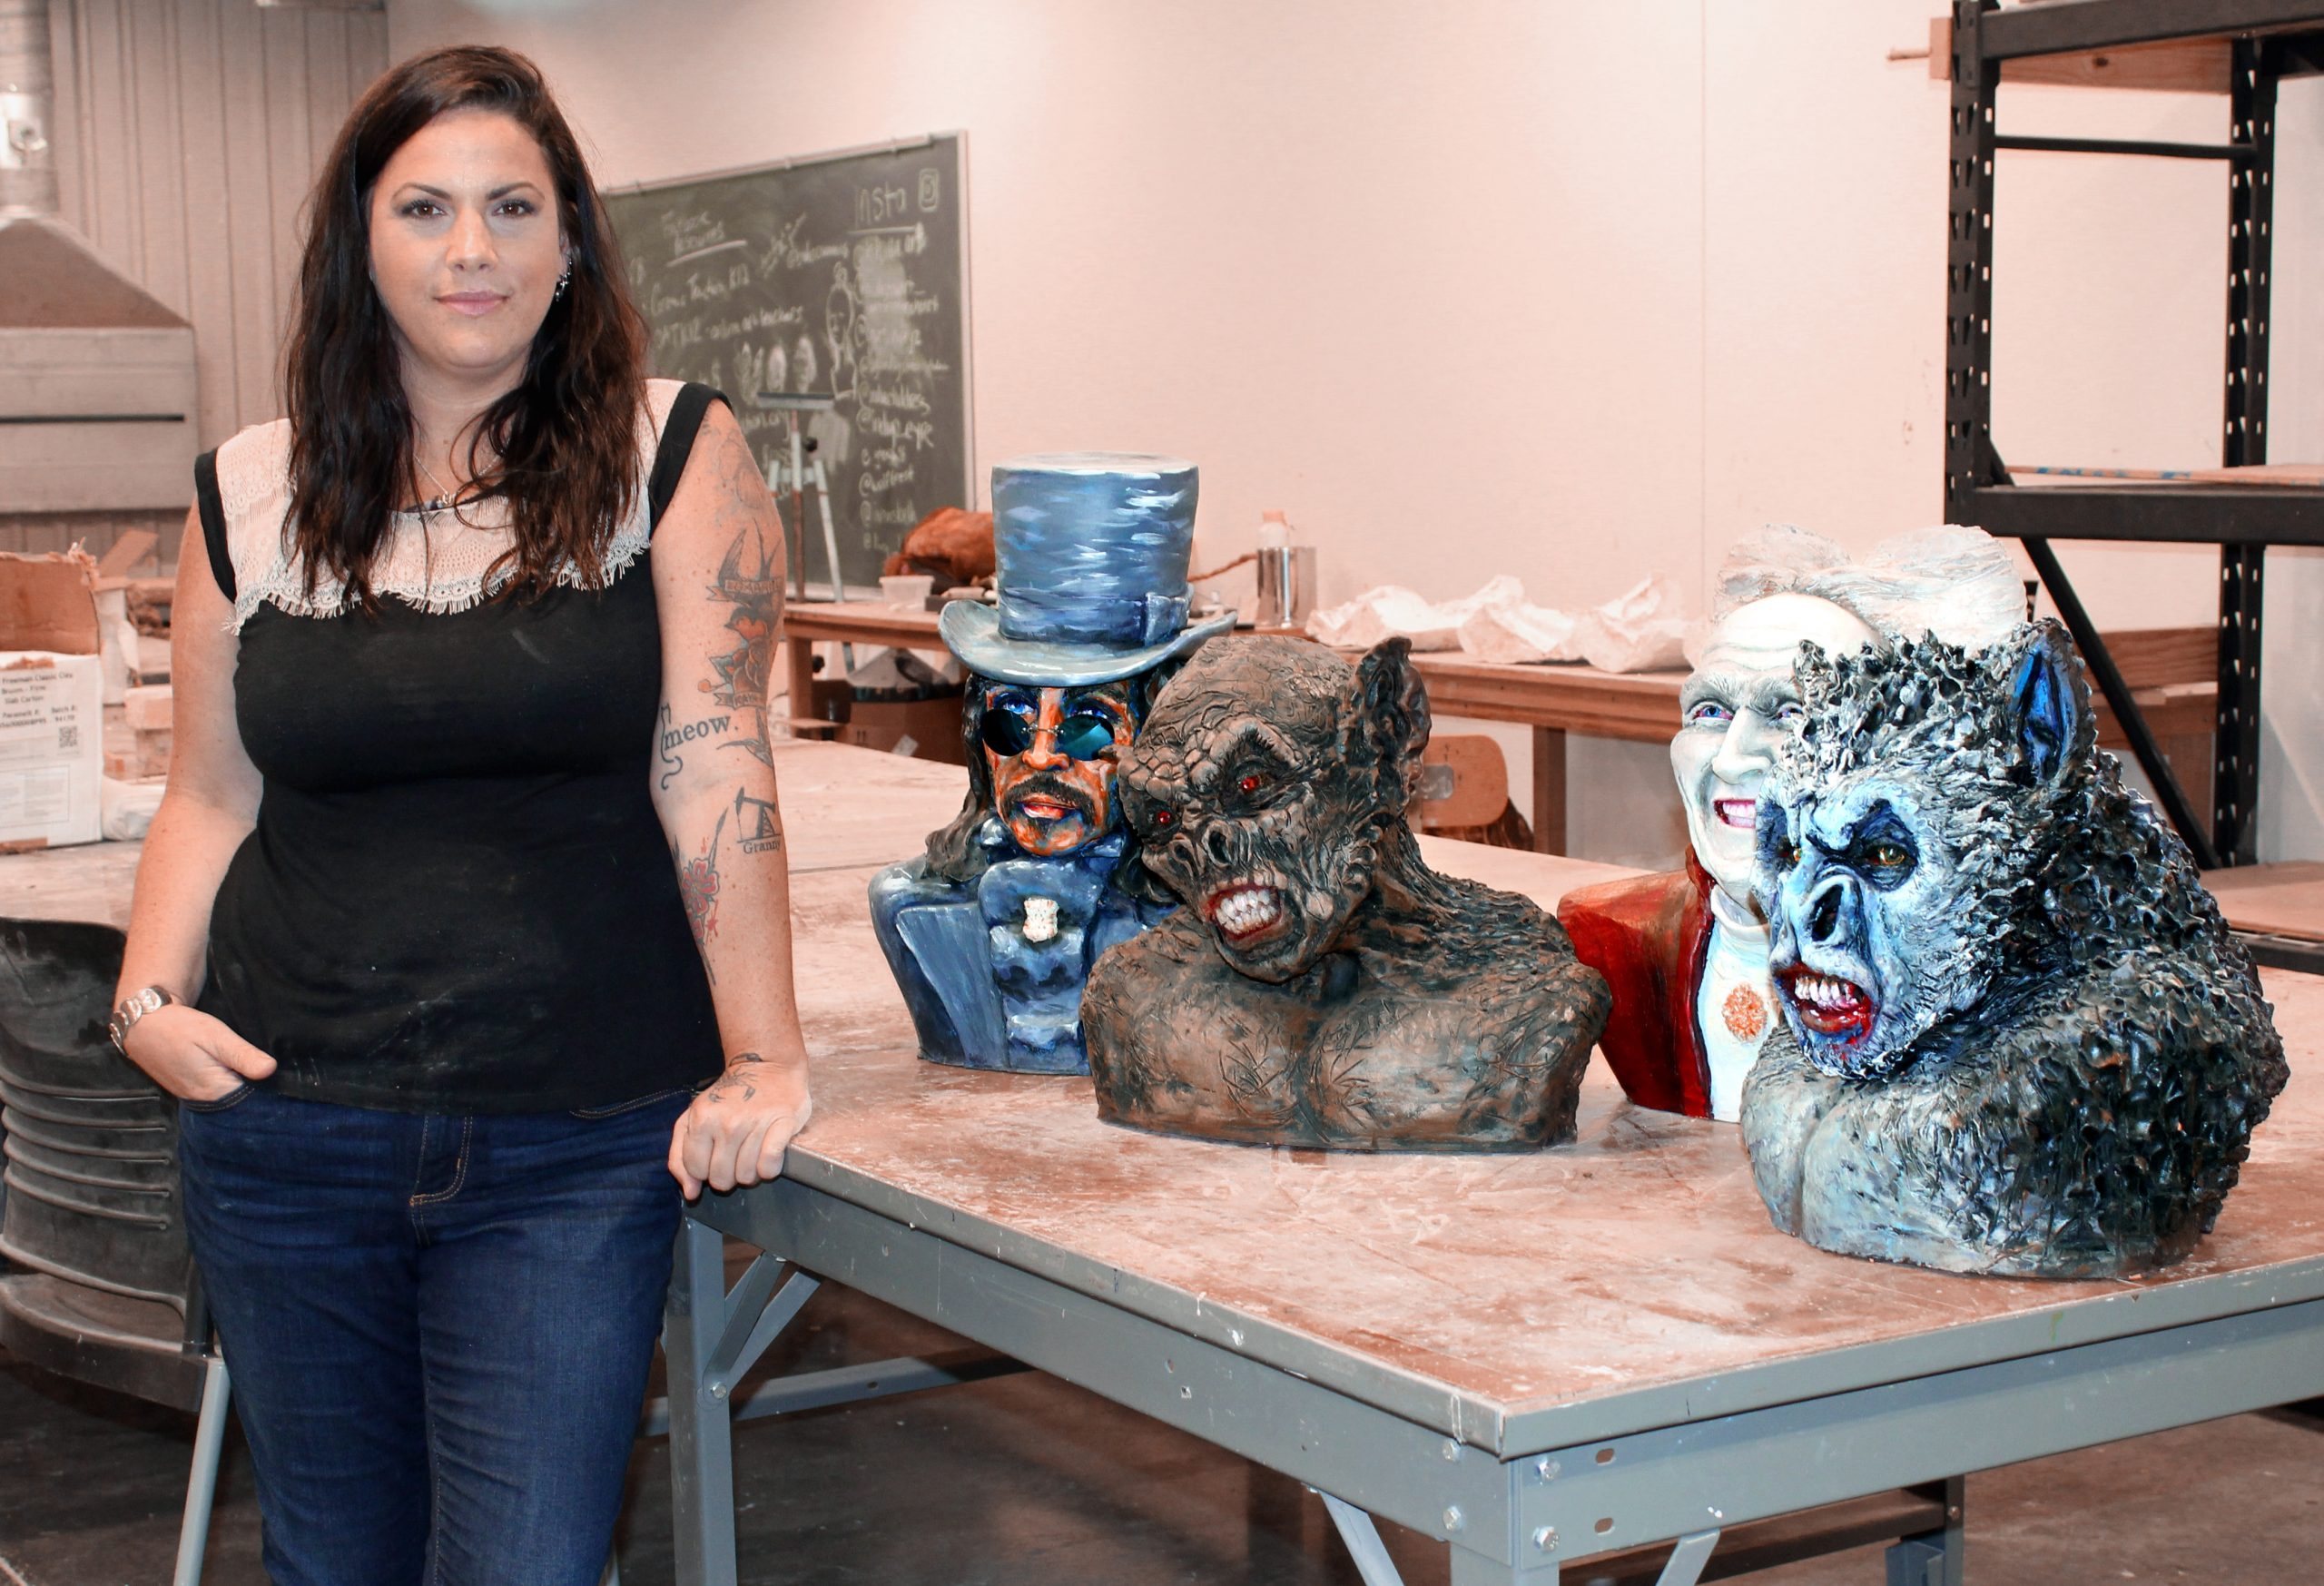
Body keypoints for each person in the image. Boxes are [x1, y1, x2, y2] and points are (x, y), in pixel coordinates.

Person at [107, 46, 810, 1584]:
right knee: (331, 1560)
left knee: (530, 1568)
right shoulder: (249, 491)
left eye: (513, 206)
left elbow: (716, 757)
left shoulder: (673, 453)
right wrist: (147, 995)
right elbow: (212, 791)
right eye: (424, 207)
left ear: (570, 247)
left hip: (573, 1139)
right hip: (285, 1126)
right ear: (363, 245)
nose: (471, 249)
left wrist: (765, 1047)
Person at [1558, 524, 2022, 1121]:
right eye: (1710, 711)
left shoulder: (1963, 981)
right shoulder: (1612, 942)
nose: (1729, 757)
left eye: (1790, 712)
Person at [868, 454, 1230, 1073]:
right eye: (1009, 722)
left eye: (1088, 729)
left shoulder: (1206, 926)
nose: (1038, 754)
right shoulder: (915, 913)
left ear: (1160, 739)